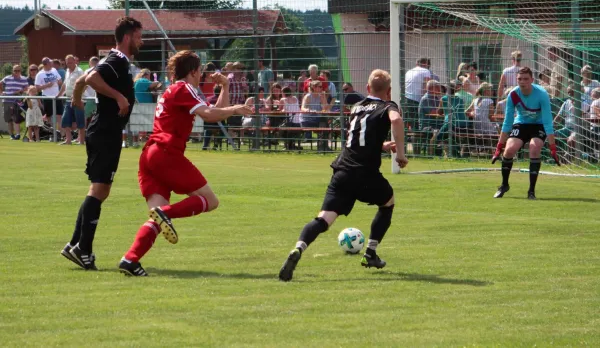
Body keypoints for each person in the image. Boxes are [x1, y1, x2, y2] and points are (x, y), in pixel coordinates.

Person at [118, 50, 252, 276]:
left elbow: (215, 114)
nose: (202, 74)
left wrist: (225, 89)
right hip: (166, 153)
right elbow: (210, 115)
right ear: (193, 71)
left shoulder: (175, 89)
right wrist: (235, 108)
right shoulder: (184, 87)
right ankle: (166, 213)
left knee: (155, 219)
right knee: (210, 201)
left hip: (150, 155)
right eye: (200, 70)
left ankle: (130, 259)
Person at [278, 69, 408, 282]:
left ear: (367, 88)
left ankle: (298, 249)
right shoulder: (388, 106)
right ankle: (370, 253)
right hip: (365, 173)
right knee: (388, 203)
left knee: (324, 218)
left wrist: (382, 145)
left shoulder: (356, 107)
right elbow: (396, 121)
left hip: (342, 171)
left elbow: (359, 137)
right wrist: (400, 154)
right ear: (389, 90)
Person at [60, 16, 144, 270]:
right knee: (99, 190)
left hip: (105, 131)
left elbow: (83, 78)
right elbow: (93, 77)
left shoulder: (118, 61)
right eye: (140, 36)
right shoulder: (117, 59)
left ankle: (75, 244)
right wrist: (119, 97)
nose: (142, 41)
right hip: (106, 132)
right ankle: (83, 249)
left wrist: (76, 97)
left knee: (99, 190)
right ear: (128, 37)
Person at [491, 67, 559, 200]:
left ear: (532, 80)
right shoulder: (513, 94)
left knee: (534, 148)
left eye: (526, 79)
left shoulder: (542, 94)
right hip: (521, 123)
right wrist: (499, 147)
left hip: (538, 125)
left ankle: (531, 191)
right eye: (519, 79)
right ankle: (504, 185)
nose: (522, 82)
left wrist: (553, 148)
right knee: (509, 150)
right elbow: (508, 121)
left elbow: (547, 121)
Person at [58, 54, 85, 145]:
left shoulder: (80, 72)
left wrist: (77, 96)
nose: (69, 64)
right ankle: (68, 140)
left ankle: (81, 141)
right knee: (65, 120)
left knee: (80, 121)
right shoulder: (67, 71)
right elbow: (65, 84)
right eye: (67, 63)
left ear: (74, 61)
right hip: (68, 99)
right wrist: (58, 95)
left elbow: (85, 85)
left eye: (70, 62)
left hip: (78, 100)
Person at [0, 65, 29, 140]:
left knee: (16, 118)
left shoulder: (24, 79)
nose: (16, 72)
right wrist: (1, 92)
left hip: (17, 101)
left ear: (20, 71)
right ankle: (11, 135)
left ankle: (18, 134)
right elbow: (0, 83)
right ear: (12, 71)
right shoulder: (7, 78)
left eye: (18, 70)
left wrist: (21, 91)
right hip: (7, 100)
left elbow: (27, 88)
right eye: (15, 70)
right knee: (9, 119)